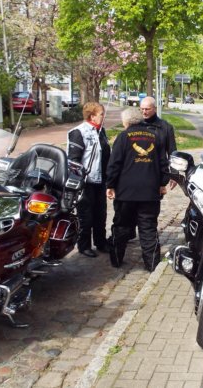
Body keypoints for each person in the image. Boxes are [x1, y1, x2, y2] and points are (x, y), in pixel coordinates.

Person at [106, 107, 170, 272]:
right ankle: (152, 264)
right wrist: (163, 183)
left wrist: (110, 185)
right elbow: (164, 163)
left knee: (121, 226)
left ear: (126, 122)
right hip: (149, 192)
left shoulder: (123, 137)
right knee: (148, 228)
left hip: (126, 192)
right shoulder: (155, 136)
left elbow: (114, 164)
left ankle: (116, 260)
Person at [67, 101, 111, 258]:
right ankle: (84, 245)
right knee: (86, 215)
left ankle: (101, 242)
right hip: (86, 182)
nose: (104, 117)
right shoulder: (78, 132)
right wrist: (81, 176)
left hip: (101, 180)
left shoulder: (101, 131)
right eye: (101, 114)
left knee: (101, 214)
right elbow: (73, 160)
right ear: (92, 116)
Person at [140, 96, 177, 189]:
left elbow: (172, 151)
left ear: (155, 109)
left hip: (158, 173)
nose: (144, 112)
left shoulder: (166, 127)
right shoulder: (136, 125)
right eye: (142, 109)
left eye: (147, 109)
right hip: (139, 172)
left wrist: (174, 173)